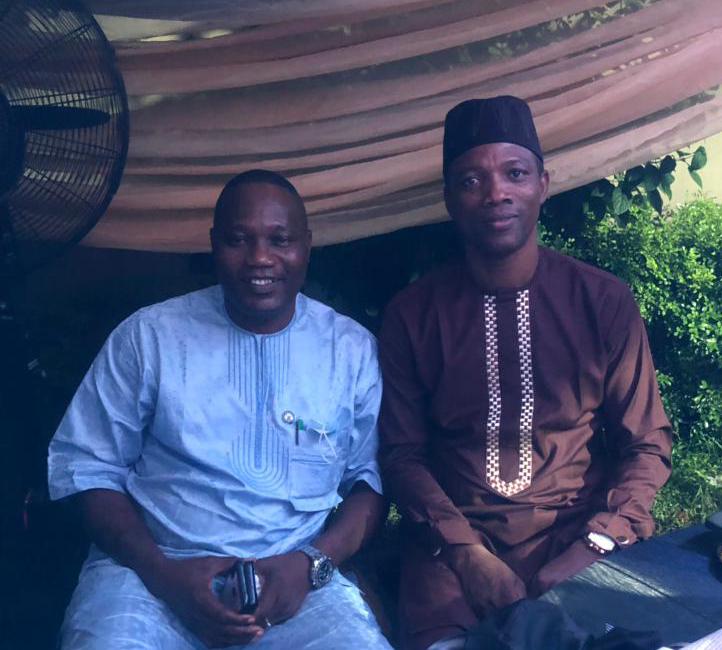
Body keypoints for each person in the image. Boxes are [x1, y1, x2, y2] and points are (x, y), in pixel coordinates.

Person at [48, 169, 392, 649]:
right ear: (213, 245)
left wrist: (311, 564)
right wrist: (163, 574)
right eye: (238, 240)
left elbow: (370, 482)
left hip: (295, 584)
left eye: (280, 240)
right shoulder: (149, 337)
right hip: (150, 577)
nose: (260, 258)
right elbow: (88, 468)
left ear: (307, 246)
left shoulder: (349, 350)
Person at [378, 96, 673, 650]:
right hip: (451, 551)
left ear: (543, 184)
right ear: (449, 199)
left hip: (580, 539)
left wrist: (598, 542)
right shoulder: (413, 315)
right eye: (471, 181)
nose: (496, 194)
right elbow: (402, 456)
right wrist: (465, 553)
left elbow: (647, 445)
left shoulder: (602, 301)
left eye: (514, 174)